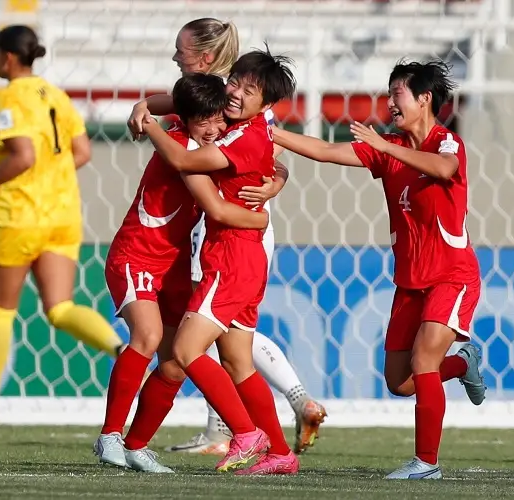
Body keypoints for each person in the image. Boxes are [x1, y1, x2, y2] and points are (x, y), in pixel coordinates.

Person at [271, 60, 487, 480]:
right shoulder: (387, 148)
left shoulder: (447, 143)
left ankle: (427, 464)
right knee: (400, 382)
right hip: (410, 281)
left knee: (424, 360)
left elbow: (445, 170)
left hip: (452, 274)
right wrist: (272, 133)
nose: (390, 103)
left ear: (425, 99)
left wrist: (386, 147)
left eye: (398, 95)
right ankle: (463, 364)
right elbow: (326, 151)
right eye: (389, 95)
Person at [128, 17, 326, 455]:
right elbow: (174, 104)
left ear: (203, 57)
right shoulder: (221, 101)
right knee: (232, 350)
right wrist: (145, 105)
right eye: (234, 84)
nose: (175, 56)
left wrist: (271, 190)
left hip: (235, 232)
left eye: (180, 50)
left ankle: (239, 429)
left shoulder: (238, 112)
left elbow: (242, 159)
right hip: (228, 232)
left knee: (190, 344)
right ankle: (272, 447)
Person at [0, 25, 125, 425]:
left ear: (8, 56)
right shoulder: (57, 96)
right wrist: (49, 177)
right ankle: (122, 351)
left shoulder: (9, 97)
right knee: (61, 308)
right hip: (61, 215)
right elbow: (82, 152)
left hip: (17, 218)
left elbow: (22, 155)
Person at [96, 73, 272, 472]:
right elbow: (216, 208)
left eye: (219, 120)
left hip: (174, 265)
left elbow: (273, 162)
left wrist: (276, 181)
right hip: (136, 255)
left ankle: (136, 445)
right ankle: (109, 435)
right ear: (185, 119)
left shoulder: (214, 141)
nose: (214, 128)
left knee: (176, 362)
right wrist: (258, 221)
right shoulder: (180, 148)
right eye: (204, 121)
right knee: (149, 335)